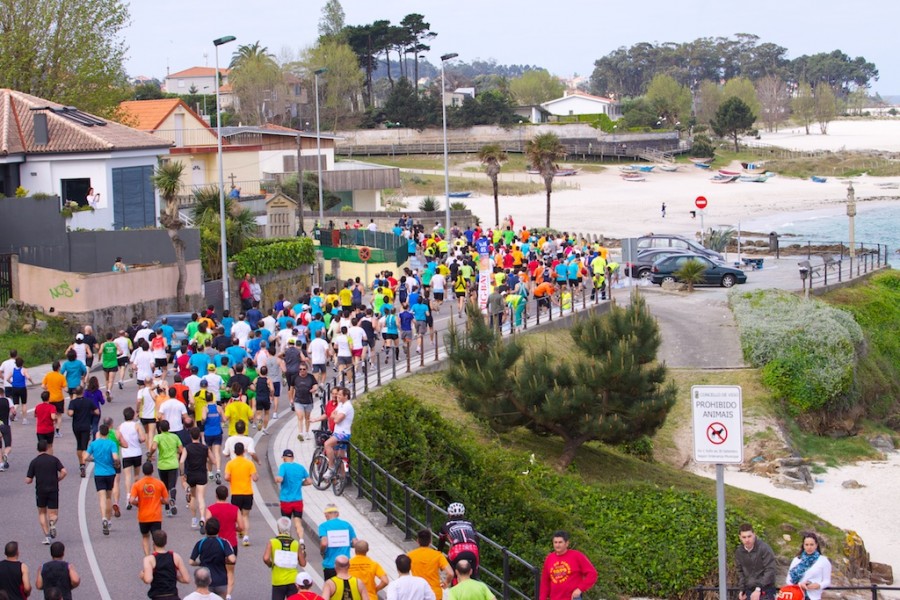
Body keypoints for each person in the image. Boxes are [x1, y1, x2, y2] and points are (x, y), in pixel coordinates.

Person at [25, 440, 66, 545]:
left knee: (42, 512)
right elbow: (64, 471)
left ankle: (47, 536)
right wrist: (58, 479)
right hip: (53, 489)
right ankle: (52, 522)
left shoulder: (34, 462)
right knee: (53, 514)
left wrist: (28, 480)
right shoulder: (54, 459)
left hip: (40, 490)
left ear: (37, 449)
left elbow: (28, 480)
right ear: (47, 448)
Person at [205, 486, 243, 600]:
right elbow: (241, 526)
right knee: (230, 571)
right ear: (227, 495)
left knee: (215, 568)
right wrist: (233, 528)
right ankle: (228, 594)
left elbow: (207, 526)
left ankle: (214, 592)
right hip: (231, 544)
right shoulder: (235, 509)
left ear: (216, 495)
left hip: (215, 544)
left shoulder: (210, 509)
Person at [539, 530, 597, 600]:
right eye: (555, 542)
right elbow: (545, 582)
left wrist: (580, 589)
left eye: (560, 542)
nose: (557, 545)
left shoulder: (576, 556)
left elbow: (592, 574)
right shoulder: (549, 558)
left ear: (567, 543)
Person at [85, 423, 120, 536]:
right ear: (108, 433)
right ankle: (109, 521)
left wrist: (93, 460)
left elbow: (85, 457)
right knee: (109, 497)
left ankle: (103, 517)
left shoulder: (94, 444)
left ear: (99, 433)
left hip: (99, 473)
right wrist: (116, 462)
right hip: (110, 473)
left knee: (101, 497)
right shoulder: (111, 443)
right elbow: (115, 457)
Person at [130, 462, 170, 556]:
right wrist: (159, 501)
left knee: (145, 536)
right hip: (156, 516)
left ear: (143, 471)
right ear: (153, 470)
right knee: (156, 538)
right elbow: (166, 500)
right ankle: (156, 556)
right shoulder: (159, 483)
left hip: (143, 516)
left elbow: (131, 500)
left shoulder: (137, 484)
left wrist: (138, 504)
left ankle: (147, 556)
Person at [312, 386, 352, 480]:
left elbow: (336, 419)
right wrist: (333, 416)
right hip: (339, 432)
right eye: (335, 394)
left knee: (327, 444)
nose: (337, 396)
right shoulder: (340, 405)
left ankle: (331, 467)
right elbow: (331, 414)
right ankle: (342, 478)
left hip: (341, 433)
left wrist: (335, 416)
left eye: (339, 395)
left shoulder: (346, 406)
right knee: (340, 456)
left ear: (346, 396)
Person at [190, 518, 235, 599]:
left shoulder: (200, 543)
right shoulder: (223, 543)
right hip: (221, 580)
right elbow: (232, 559)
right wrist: (225, 559)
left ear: (206, 530)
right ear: (218, 530)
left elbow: (191, 561)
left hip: (206, 581)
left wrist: (200, 563)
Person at [264, 516, 307, 600]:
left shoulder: (272, 542)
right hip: (293, 580)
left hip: (278, 580)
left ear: (278, 528)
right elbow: (303, 563)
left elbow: (266, 558)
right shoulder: (295, 543)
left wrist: (271, 564)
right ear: (289, 528)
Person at [224, 442, 258, 547]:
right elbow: (255, 478)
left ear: (234, 452)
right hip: (247, 493)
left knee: (237, 515)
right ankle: (246, 537)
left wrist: (232, 479)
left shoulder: (230, 464)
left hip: (236, 493)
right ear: (244, 451)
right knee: (245, 516)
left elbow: (226, 477)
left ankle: (239, 530)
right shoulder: (249, 463)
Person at [140, 529, 190, 599]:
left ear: (153, 543)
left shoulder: (149, 559)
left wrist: (143, 576)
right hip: (173, 595)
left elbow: (148, 579)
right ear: (166, 542)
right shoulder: (175, 556)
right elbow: (186, 579)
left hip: (158, 596)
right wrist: (174, 576)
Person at [148, 420, 183, 517]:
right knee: (172, 485)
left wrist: (150, 454)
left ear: (159, 428)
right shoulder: (175, 437)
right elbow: (181, 449)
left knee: (164, 486)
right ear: (169, 428)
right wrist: (175, 452)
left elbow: (154, 447)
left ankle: (167, 508)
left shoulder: (158, 437)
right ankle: (173, 500)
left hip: (162, 465)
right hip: (173, 464)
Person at [275, 449, 311, 539]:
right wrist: (300, 484)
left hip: (285, 500)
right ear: (293, 458)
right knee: (298, 523)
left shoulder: (283, 466)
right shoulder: (300, 467)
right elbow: (309, 481)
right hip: (298, 500)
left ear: (284, 458)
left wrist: (277, 479)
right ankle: (301, 540)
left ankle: (288, 542)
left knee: (286, 523)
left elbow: (280, 479)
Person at [735, 523, 777, 600]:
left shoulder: (764, 548)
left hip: (766, 589)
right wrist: (742, 589)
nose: (747, 540)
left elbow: (770, 570)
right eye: (744, 537)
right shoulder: (739, 551)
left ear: (754, 535)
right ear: (740, 537)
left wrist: (758, 589)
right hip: (749, 590)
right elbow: (740, 571)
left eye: (749, 536)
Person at [181, 427, 212, 530]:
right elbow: (213, 460)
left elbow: (181, 461)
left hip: (191, 474)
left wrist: (182, 473)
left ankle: (194, 519)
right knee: (201, 497)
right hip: (202, 474)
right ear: (199, 436)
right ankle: (202, 517)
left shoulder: (187, 448)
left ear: (190, 436)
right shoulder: (205, 448)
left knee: (193, 496)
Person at [437, 503, 480, 577]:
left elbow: (441, 542)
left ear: (449, 514)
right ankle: (474, 578)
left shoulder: (446, 524)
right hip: (473, 548)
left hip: (457, 549)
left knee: (453, 574)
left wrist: (438, 555)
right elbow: (476, 539)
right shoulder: (470, 524)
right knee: (473, 574)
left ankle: (454, 581)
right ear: (463, 514)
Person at [408, 529, 452, 600]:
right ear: (430, 541)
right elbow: (450, 573)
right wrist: (446, 582)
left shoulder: (410, 555)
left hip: (418, 593)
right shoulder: (438, 555)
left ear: (417, 541)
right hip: (435, 593)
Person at [785, 532, 832, 600]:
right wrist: (800, 585)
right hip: (796, 596)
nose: (809, 547)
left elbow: (827, 581)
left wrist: (818, 585)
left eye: (811, 544)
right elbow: (788, 580)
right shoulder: (797, 560)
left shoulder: (823, 561)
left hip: (813, 597)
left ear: (816, 545)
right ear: (803, 545)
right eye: (806, 545)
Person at [318, 504, 358, 580]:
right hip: (346, 564)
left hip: (330, 565)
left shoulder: (323, 526)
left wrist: (322, 552)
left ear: (326, 514)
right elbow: (356, 543)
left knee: (331, 586)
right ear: (338, 514)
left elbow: (324, 543)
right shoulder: (347, 525)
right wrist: (349, 544)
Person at [66, 386, 98, 478]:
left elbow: (70, 413)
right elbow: (97, 411)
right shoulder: (88, 401)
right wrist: (90, 412)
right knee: (84, 445)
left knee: (79, 445)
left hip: (76, 426)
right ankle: (85, 459)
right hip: (86, 425)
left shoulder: (73, 402)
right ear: (83, 392)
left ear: (75, 393)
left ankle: (82, 465)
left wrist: (69, 412)